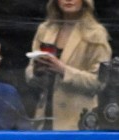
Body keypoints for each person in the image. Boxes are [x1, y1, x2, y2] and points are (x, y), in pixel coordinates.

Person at [25, 0, 112, 131]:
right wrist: (37, 72)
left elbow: (99, 82)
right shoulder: (45, 29)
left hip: (77, 121)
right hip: (44, 118)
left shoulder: (96, 33)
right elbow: (29, 73)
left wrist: (63, 71)